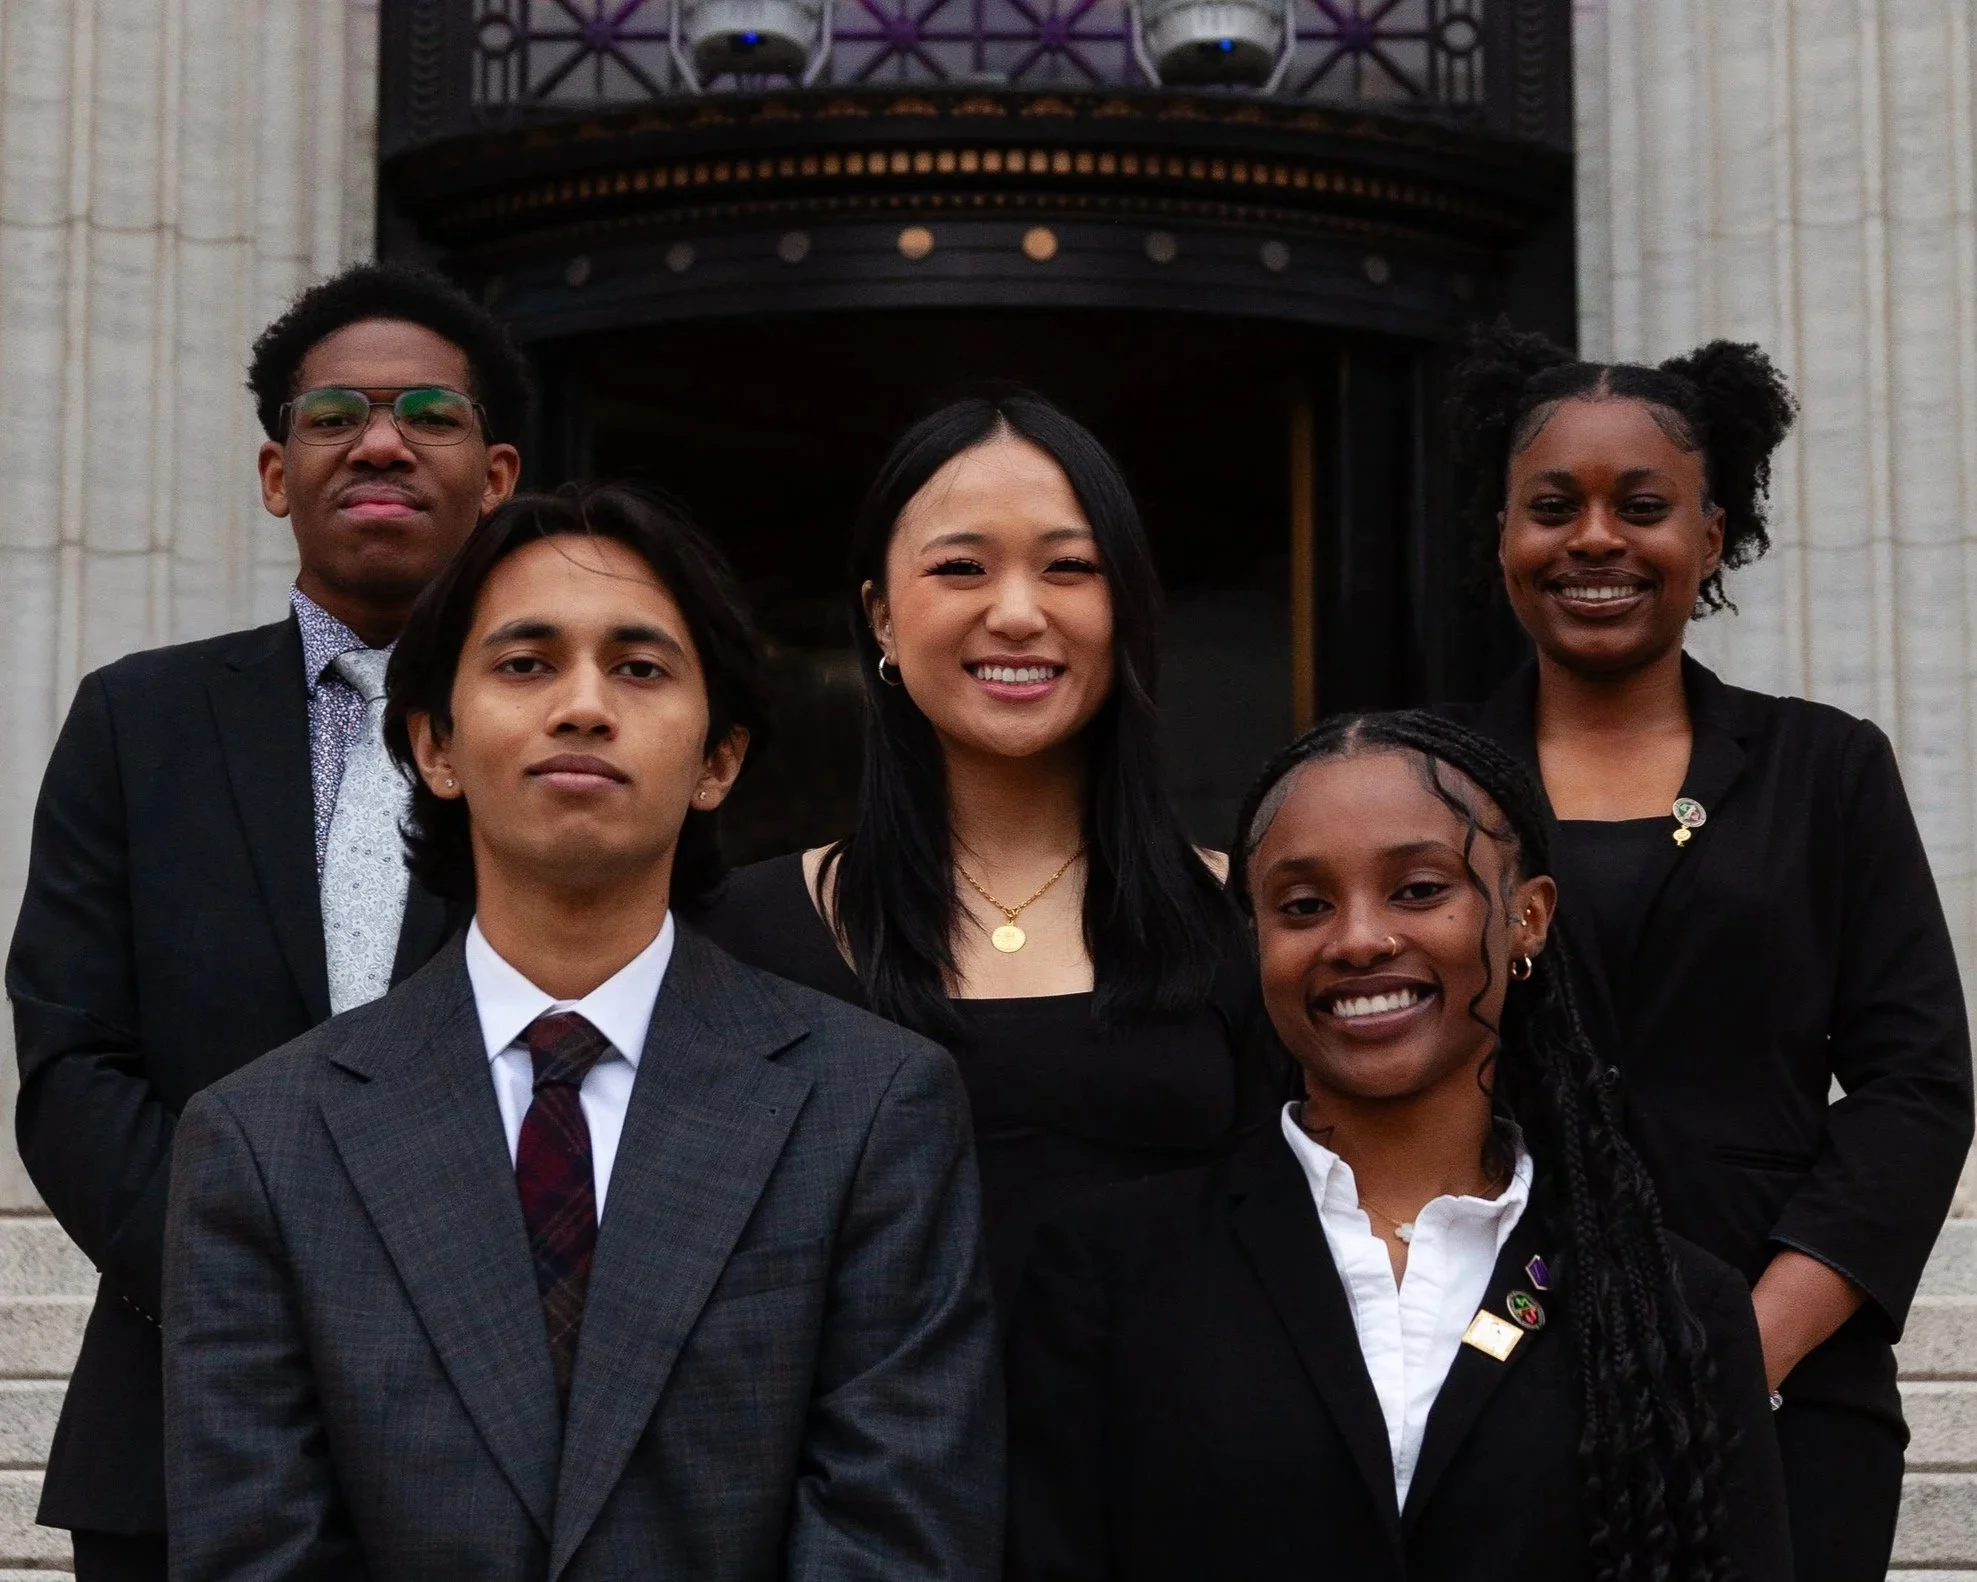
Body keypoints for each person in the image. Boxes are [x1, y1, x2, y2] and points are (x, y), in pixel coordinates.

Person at [161, 486, 1003, 1581]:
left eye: (640, 668)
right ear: (434, 744)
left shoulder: (873, 1110)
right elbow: (254, 1550)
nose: (584, 706)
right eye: (526, 663)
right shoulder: (264, 1140)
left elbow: (895, 1535)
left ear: (718, 760)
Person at [6, 262, 529, 1582]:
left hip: (508, 1432)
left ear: (497, 476)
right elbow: (73, 1068)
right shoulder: (137, 721)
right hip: (181, 1427)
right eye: (333, 415)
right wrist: (253, 1283)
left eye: (429, 413)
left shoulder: (569, 732)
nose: (381, 443)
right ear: (274, 473)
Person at [1007, 711, 1791, 1582]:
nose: (1357, 939)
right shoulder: (1107, 1270)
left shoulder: (1675, 1303)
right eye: (1303, 906)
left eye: (1418, 890)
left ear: (1527, 917)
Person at [1447, 325, 1974, 1582]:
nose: (1595, 540)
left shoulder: (1825, 769)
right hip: (1483, 1370)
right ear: (1502, 534)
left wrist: (1745, 1341)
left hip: (1787, 1391)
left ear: (1714, 534)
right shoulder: (1420, 778)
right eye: (1552, 507)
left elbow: (1916, 1085)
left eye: (1643, 507)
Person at [695, 391, 1281, 1311]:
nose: (1015, 613)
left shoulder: (1249, 921)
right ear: (881, 618)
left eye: (1069, 568)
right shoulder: (741, 937)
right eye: (961, 567)